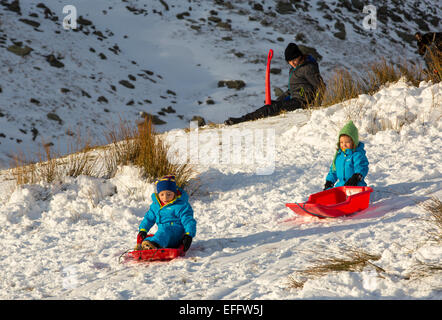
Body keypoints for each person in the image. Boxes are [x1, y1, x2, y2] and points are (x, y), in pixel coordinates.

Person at [224, 42, 325, 125]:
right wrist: (278, 101)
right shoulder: (295, 69)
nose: (293, 63)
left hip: (303, 102)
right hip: (295, 99)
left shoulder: (308, 68)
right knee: (273, 106)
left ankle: (242, 120)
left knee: (274, 108)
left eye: (295, 59)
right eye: (290, 61)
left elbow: (321, 86)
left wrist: (316, 107)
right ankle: (246, 118)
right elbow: (292, 91)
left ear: (300, 56)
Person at [135, 175, 196, 252]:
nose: (165, 198)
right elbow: (149, 218)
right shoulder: (156, 206)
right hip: (163, 234)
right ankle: (145, 245)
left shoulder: (181, 206)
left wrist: (188, 235)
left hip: (176, 235)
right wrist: (143, 230)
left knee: (165, 231)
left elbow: (188, 220)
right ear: (158, 194)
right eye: (162, 194)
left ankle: (154, 245)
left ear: (174, 193)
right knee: (149, 238)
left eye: (169, 194)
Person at [323, 120, 369, 190]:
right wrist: (329, 181)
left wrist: (356, 177)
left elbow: (361, 167)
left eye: (347, 142)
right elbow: (333, 171)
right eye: (341, 142)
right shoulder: (338, 156)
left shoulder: (357, 155)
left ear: (353, 142)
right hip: (341, 188)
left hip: (356, 187)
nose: (344, 144)